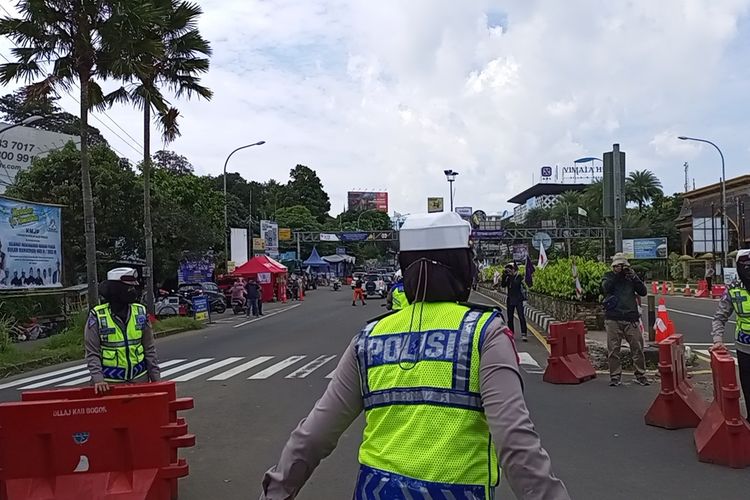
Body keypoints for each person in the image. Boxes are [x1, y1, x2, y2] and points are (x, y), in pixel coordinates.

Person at [260, 212, 570, 500]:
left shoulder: (369, 338)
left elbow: (313, 436)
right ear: (466, 268)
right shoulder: (485, 333)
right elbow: (516, 443)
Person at [84, 267, 160, 394]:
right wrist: (98, 380)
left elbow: (149, 349)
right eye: (129, 287)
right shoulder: (97, 316)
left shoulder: (140, 312)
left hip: (140, 381)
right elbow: (92, 353)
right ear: (116, 289)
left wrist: (157, 381)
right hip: (108, 385)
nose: (133, 291)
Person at [711, 248, 750, 420]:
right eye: (745, 266)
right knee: (748, 388)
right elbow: (719, 318)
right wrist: (718, 339)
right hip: (744, 347)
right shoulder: (733, 288)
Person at [601, 253, 650, 387]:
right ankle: (615, 376)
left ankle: (641, 374)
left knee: (637, 347)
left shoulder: (631, 278)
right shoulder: (609, 276)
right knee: (613, 349)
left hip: (631, 317)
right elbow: (606, 288)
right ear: (613, 266)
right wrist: (617, 275)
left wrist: (634, 277)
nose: (620, 268)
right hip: (613, 317)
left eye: (622, 265)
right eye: (617, 265)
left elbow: (643, 292)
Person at [500, 262, 528, 342]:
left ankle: (524, 334)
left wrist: (511, 276)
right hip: (510, 299)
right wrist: (504, 276)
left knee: (521, 317)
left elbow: (516, 284)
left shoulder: (518, 276)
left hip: (518, 299)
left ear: (513, 269)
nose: (508, 271)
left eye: (509, 270)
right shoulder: (508, 277)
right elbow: (503, 285)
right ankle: (511, 333)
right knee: (510, 318)